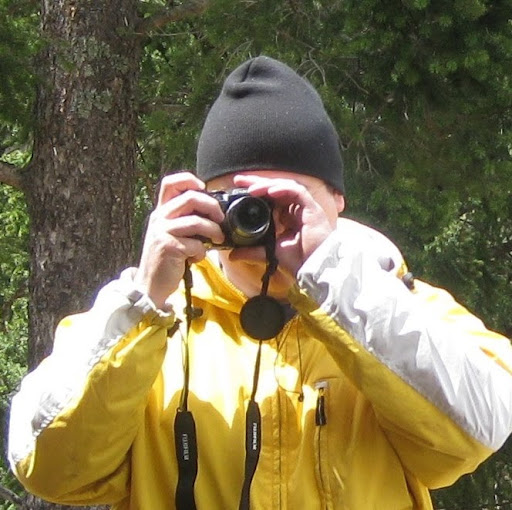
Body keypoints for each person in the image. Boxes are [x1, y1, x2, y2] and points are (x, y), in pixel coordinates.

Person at [8, 56, 512, 510]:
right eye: (242, 204)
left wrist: (335, 279)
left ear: (336, 199)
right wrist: (146, 297)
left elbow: (480, 428)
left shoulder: (401, 303)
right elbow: (47, 467)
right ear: (202, 203)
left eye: (286, 200)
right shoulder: (143, 321)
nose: (265, 221)